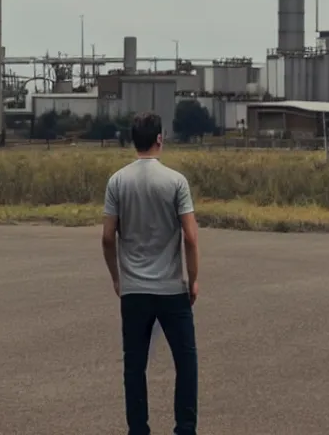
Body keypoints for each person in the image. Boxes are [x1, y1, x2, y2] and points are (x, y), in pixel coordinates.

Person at [101, 112, 200, 435]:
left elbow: (107, 236)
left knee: (134, 366)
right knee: (185, 363)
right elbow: (190, 235)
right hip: (171, 288)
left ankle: (138, 429)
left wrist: (117, 277)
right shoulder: (176, 182)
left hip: (134, 289)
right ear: (160, 138)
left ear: (134, 140)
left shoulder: (117, 181)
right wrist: (193, 278)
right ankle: (185, 428)